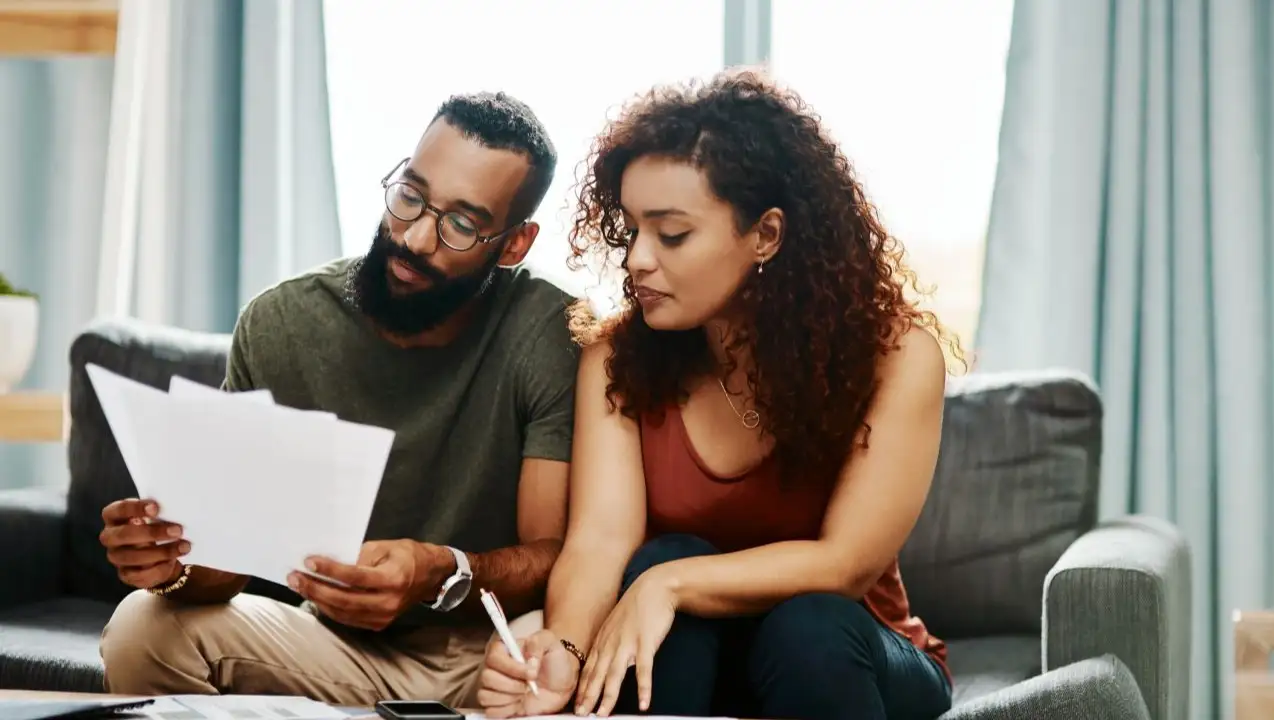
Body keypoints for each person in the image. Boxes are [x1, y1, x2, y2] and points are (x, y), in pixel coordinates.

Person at [475, 69, 964, 720]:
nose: (637, 260)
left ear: (765, 234)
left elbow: (845, 565)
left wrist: (669, 585)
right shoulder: (616, 356)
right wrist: (562, 649)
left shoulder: (897, 355)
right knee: (662, 558)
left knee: (802, 622)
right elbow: (599, 541)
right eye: (631, 230)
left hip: (848, 660)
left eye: (671, 234)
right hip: (695, 663)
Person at [96, 91, 580, 709]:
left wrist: (442, 571)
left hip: (490, 650)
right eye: (410, 195)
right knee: (144, 626)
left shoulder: (549, 332)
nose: (415, 238)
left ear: (514, 244)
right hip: (332, 645)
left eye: (461, 224)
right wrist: (173, 562)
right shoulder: (283, 324)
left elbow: (555, 556)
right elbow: (229, 564)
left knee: (546, 653)